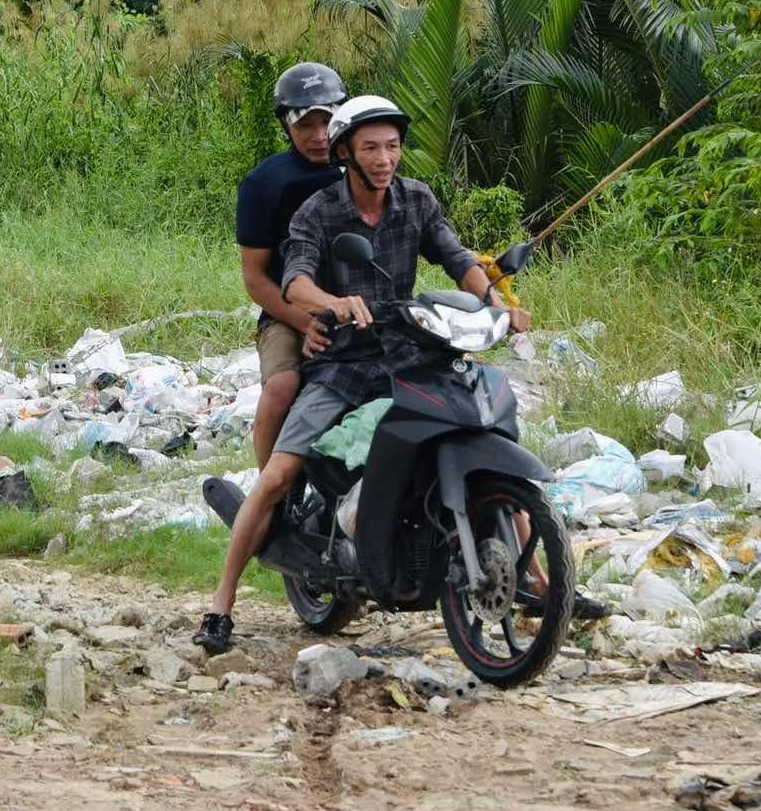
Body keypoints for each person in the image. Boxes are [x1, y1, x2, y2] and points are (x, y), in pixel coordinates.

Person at [194, 96, 528, 654]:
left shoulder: (416, 199)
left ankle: (540, 581)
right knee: (278, 475)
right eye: (370, 147)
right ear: (347, 152)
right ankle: (220, 603)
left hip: (406, 352)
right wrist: (334, 302)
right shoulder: (318, 213)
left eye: (392, 146)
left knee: (482, 432)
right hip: (343, 361)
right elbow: (295, 280)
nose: (384, 158)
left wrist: (497, 300)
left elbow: (455, 257)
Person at [235, 62, 348, 468]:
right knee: (282, 385)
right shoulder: (264, 184)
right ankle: (268, 491)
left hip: (362, 306)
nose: (320, 137)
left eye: (328, 122)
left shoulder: (364, 169)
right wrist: (303, 323)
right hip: (288, 314)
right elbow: (255, 278)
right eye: (306, 126)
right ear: (286, 125)